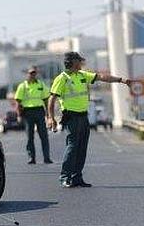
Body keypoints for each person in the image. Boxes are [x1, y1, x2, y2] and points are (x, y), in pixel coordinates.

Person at [47, 52, 131, 188]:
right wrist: (50, 118)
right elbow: (52, 99)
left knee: (82, 148)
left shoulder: (82, 75)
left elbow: (102, 77)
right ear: (73, 62)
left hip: (83, 116)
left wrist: (121, 80)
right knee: (72, 147)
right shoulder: (62, 78)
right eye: (79, 61)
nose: (81, 63)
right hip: (71, 117)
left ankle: (77, 177)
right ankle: (65, 176)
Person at [15, 66, 52, 165]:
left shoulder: (41, 84)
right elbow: (18, 102)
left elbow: (46, 100)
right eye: (31, 73)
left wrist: (48, 114)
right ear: (27, 74)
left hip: (39, 111)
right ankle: (32, 157)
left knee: (44, 135)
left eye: (34, 73)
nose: (32, 75)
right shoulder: (23, 86)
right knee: (29, 137)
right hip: (28, 112)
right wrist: (18, 115)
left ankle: (47, 157)